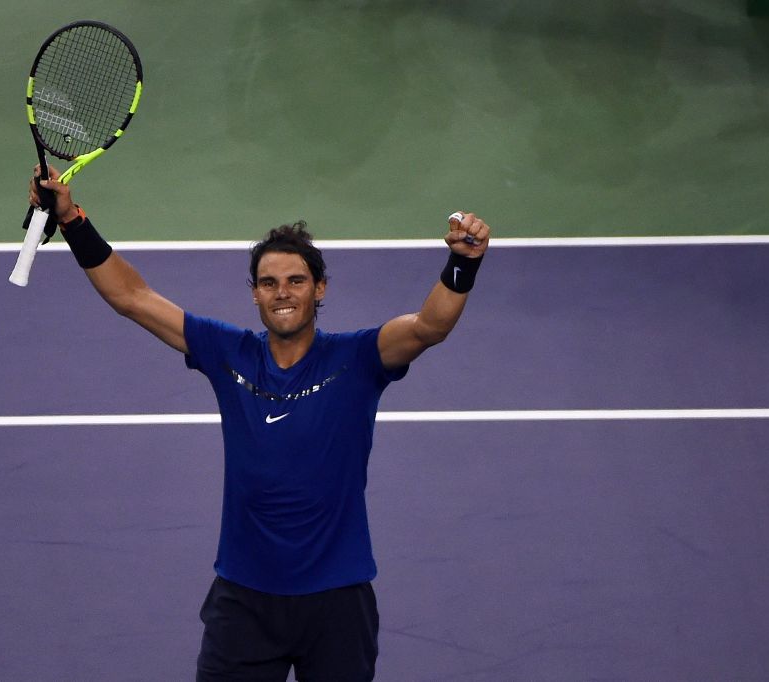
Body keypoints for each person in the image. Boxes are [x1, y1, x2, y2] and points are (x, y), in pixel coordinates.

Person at [28, 167, 490, 681]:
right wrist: (71, 219)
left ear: (320, 288)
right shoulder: (228, 352)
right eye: (269, 283)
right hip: (244, 601)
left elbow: (430, 326)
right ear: (255, 294)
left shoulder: (359, 357)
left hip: (337, 601)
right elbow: (131, 297)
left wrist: (462, 263)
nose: (282, 292)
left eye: (296, 281)